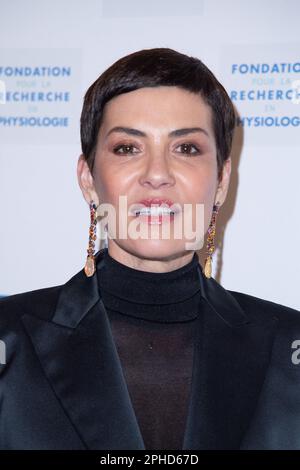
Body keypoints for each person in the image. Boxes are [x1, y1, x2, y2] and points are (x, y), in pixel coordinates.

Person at [0, 47, 300, 451]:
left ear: (223, 180)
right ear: (88, 179)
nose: (157, 174)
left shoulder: (288, 346)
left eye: (187, 148)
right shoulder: (8, 339)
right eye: (128, 148)